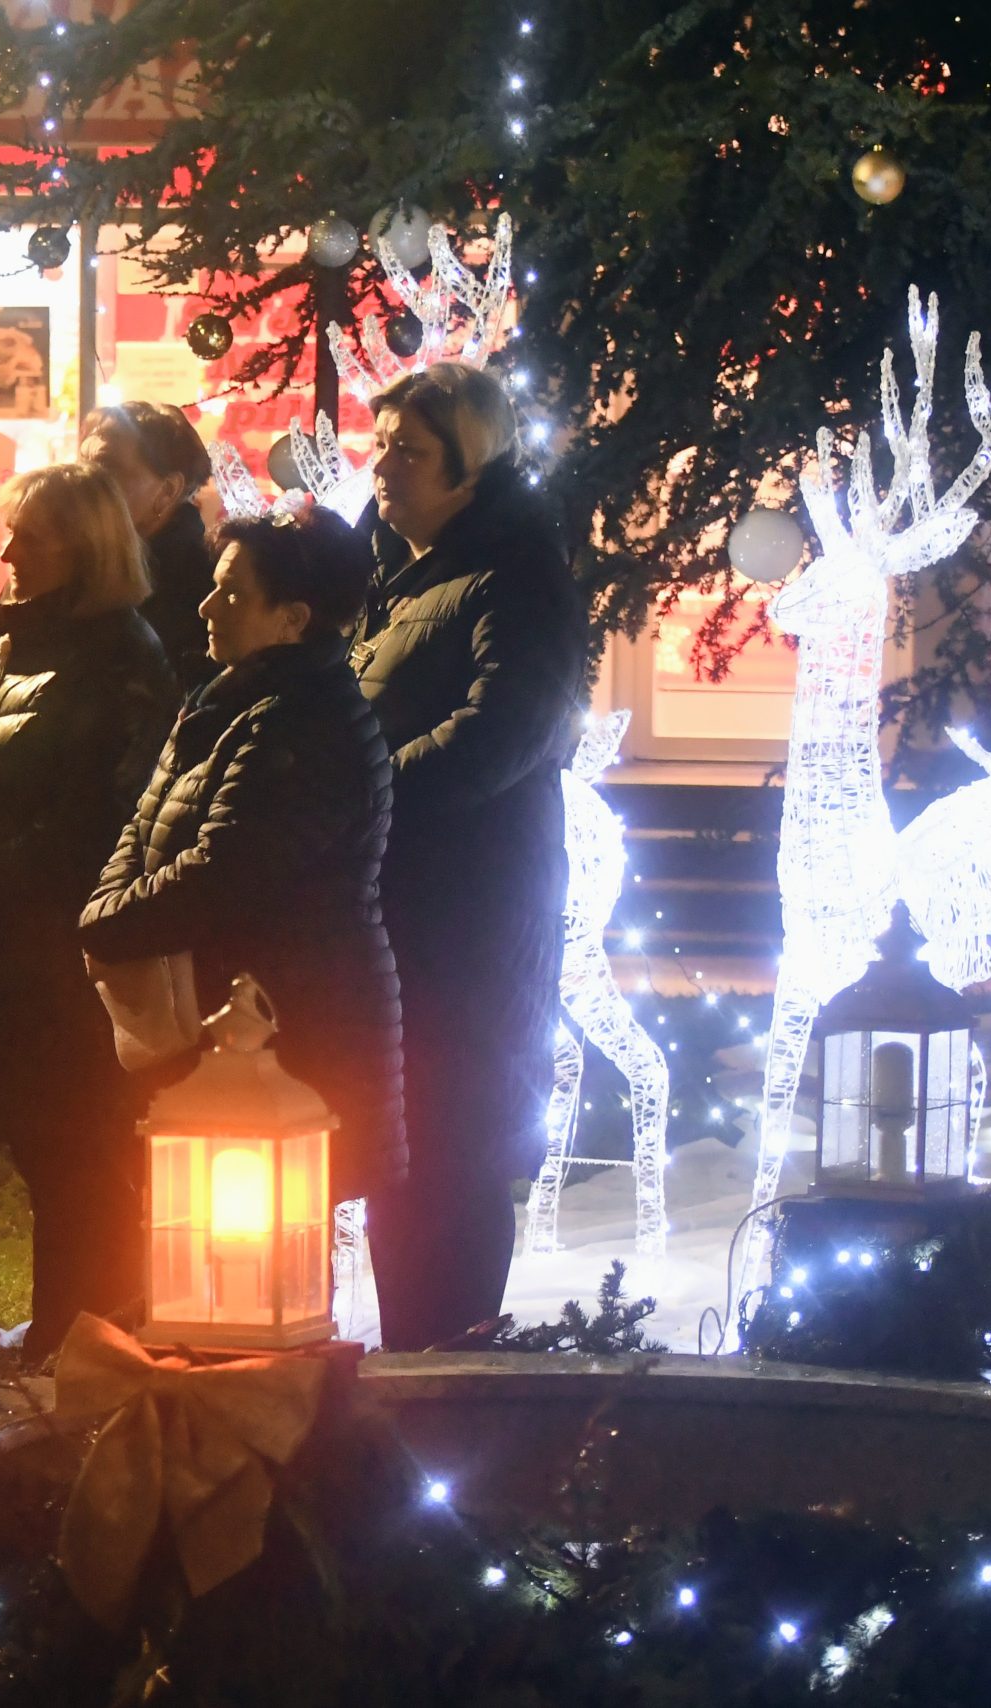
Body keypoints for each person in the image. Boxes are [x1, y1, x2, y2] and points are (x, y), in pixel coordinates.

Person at [0, 463, 177, 1358]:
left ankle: (89, 1333)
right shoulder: (11, 634)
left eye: (32, 535)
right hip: (5, 942)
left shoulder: (122, 657)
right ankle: (69, 1328)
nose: (10, 551)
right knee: (45, 1152)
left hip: (65, 951)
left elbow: (90, 819)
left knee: (80, 1152)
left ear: (85, 548)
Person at [80, 503, 407, 1222]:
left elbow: (223, 873)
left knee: (268, 1254)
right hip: (229, 1024)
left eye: (232, 593)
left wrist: (105, 926)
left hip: (290, 1029)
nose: (206, 606)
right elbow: (146, 824)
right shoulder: (229, 700)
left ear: (293, 619)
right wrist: (107, 911)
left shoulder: (304, 725)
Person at [353, 361, 587, 1351]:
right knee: (403, 1158)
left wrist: (361, 793)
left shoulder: (514, 575)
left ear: (471, 465)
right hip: (403, 911)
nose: (382, 468)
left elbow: (500, 734)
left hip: (472, 919)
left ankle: (452, 1374)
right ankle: (411, 1364)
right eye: (380, 446)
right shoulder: (394, 575)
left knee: (454, 1151)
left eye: (409, 452)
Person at [80, 401, 218, 694]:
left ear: (168, 490)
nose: (83, 482)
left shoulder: (205, 587)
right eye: (83, 464)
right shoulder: (62, 561)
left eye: (105, 468)